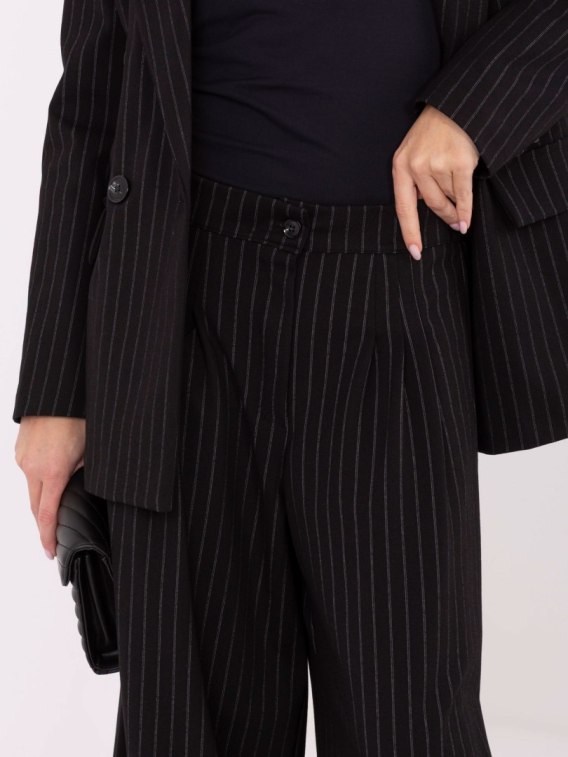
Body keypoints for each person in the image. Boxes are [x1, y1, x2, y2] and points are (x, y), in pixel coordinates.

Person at [13, 0, 568, 755]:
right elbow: (90, 102)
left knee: (407, 720)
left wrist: (476, 106)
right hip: (182, 305)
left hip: (397, 280)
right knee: (186, 728)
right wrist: (55, 389)